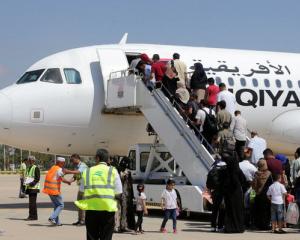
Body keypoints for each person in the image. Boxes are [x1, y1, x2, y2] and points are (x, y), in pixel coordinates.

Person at [75, 149, 122, 240]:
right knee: (106, 237)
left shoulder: (88, 171)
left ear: (97, 158)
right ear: (108, 159)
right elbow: (119, 192)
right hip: (108, 210)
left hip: (91, 210)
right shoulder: (113, 171)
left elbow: (81, 191)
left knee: (92, 237)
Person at [43, 157, 72, 226]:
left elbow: (58, 176)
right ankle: (52, 218)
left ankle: (57, 222)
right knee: (61, 205)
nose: (63, 164)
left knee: (56, 205)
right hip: (54, 190)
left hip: (48, 190)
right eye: (63, 163)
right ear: (60, 163)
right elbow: (62, 178)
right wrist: (68, 181)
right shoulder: (58, 169)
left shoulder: (53, 167)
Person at [222, 152, 246, 233]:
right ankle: (239, 227)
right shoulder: (238, 171)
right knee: (238, 210)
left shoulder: (226, 171)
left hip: (229, 193)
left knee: (230, 210)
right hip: (237, 193)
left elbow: (223, 183)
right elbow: (243, 180)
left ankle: (229, 227)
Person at [62, 154, 88, 226]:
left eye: (72, 160)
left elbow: (78, 172)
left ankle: (83, 221)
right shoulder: (77, 166)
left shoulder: (83, 165)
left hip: (86, 188)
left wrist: (68, 171)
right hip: (81, 188)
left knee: (82, 205)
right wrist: (69, 181)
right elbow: (75, 176)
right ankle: (79, 220)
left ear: (77, 159)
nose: (72, 162)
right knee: (79, 205)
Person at [206, 158, 227, 232]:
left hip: (214, 191)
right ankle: (220, 226)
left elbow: (209, 178)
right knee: (222, 209)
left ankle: (213, 227)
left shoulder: (214, 165)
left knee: (214, 209)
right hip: (222, 190)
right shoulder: (225, 166)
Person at [252, 159, 273, 230]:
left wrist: (256, 190)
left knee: (259, 210)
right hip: (267, 195)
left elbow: (254, 185)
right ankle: (266, 225)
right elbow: (271, 185)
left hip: (259, 195)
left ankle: (259, 225)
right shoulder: (269, 174)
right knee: (266, 211)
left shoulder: (256, 174)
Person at [117, 157, 135, 232]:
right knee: (120, 211)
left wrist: (132, 195)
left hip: (126, 194)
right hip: (120, 193)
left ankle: (124, 225)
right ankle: (120, 226)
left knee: (125, 210)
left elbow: (130, 185)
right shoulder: (118, 171)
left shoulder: (127, 172)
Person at [24, 156, 40, 220]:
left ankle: (32, 216)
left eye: (29, 160)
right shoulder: (29, 168)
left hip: (34, 188)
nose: (28, 161)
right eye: (28, 160)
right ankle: (32, 216)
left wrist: (31, 183)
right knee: (31, 203)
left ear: (33, 161)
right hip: (30, 187)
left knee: (32, 203)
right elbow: (28, 177)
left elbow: (37, 178)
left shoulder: (36, 168)